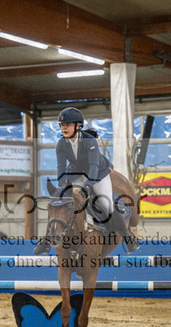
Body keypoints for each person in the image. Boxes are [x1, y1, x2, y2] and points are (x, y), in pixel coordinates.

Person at [35, 107, 139, 254]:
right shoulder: (61, 144)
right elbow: (61, 168)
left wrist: (88, 187)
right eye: (62, 125)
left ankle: (127, 237)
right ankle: (47, 239)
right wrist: (62, 188)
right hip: (76, 174)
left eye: (68, 125)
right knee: (59, 204)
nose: (64, 128)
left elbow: (94, 166)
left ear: (78, 126)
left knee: (106, 204)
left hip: (98, 174)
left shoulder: (89, 141)